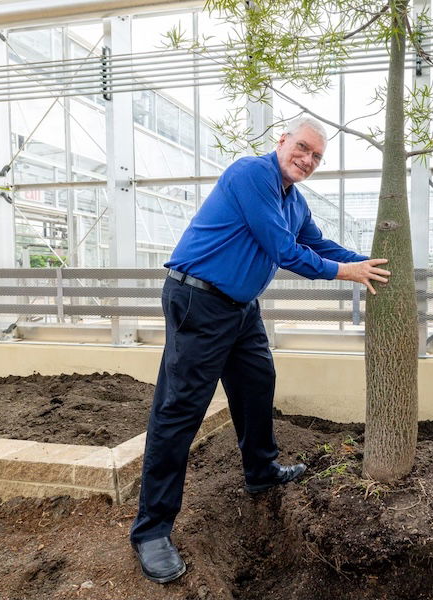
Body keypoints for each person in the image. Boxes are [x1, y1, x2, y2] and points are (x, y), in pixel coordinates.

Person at [130, 116, 390, 584]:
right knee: (179, 411)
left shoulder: (295, 200)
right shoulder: (252, 175)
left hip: (240, 307)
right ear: (282, 140)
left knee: (256, 386)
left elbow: (314, 242)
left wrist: (364, 262)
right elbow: (284, 251)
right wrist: (346, 275)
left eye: (316, 157)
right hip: (198, 300)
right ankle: (151, 531)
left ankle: (262, 471)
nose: (307, 160)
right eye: (303, 148)